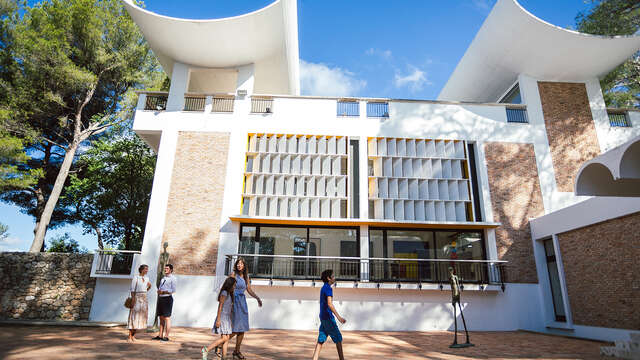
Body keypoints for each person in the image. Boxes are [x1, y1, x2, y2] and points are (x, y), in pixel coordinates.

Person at [229, 258, 262, 360]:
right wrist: (230, 302)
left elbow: (249, 290)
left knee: (242, 329)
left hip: (242, 303)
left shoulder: (246, 277)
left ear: (244, 266)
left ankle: (236, 351)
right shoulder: (233, 275)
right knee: (235, 329)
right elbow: (229, 288)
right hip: (234, 302)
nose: (239, 265)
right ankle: (220, 345)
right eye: (238, 263)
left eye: (241, 264)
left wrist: (257, 298)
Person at [312, 269, 346, 360]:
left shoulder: (323, 288)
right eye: (333, 276)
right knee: (338, 339)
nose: (334, 278)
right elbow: (330, 304)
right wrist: (339, 317)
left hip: (323, 317)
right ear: (328, 278)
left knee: (321, 340)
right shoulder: (328, 289)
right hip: (328, 318)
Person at [202, 277, 237, 360]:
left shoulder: (230, 294)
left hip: (227, 318)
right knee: (224, 338)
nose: (234, 287)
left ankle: (224, 358)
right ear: (230, 285)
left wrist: (231, 320)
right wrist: (218, 319)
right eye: (234, 285)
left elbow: (230, 308)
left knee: (227, 339)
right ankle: (206, 349)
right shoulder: (224, 293)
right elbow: (220, 306)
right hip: (222, 318)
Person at [127, 264, 151, 343]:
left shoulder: (147, 278)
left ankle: (133, 336)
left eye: (147, 269)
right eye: (145, 269)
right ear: (141, 270)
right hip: (137, 297)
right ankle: (130, 336)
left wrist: (149, 287)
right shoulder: (136, 277)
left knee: (140, 317)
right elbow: (132, 289)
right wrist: (133, 299)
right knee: (134, 316)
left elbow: (147, 287)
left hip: (144, 298)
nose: (147, 270)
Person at [153, 264, 177, 342]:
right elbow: (160, 287)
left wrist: (163, 292)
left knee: (167, 318)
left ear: (171, 270)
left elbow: (173, 290)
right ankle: (160, 335)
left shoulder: (173, 278)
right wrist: (159, 291)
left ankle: (166, 336)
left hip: (167, 299)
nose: (165, 269)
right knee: (161, 317)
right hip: (161, 299)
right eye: (165, 268)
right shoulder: (163, 278)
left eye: (167, 268)